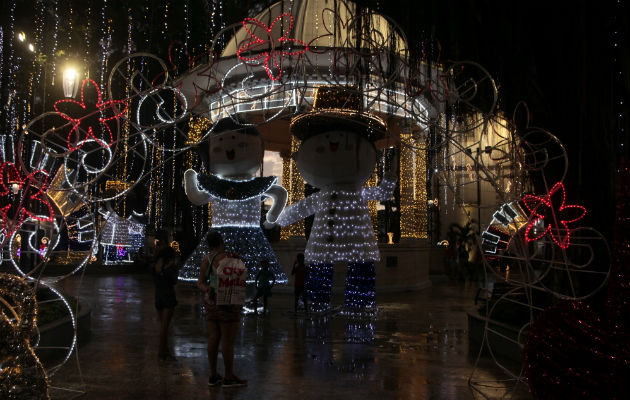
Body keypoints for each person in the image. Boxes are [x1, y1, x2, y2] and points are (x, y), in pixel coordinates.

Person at [198, 230, 247, 387]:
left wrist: (208, 290)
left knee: (213, 338)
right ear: (221, 242)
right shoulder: (231, 258)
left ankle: (213, 375)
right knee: (227, 341)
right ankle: (228, 376)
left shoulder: (207, 259)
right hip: (228, 302)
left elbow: (200, 282)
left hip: (211, 302)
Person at [152, 230, 179, 361]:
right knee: (165, 326)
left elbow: (155, 271)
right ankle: (162, 352)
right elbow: (173, 276)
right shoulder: (169, 253)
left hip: (158, 291)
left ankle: (165, 350)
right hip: (167, 291)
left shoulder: (156, 254)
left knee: (163, 324)